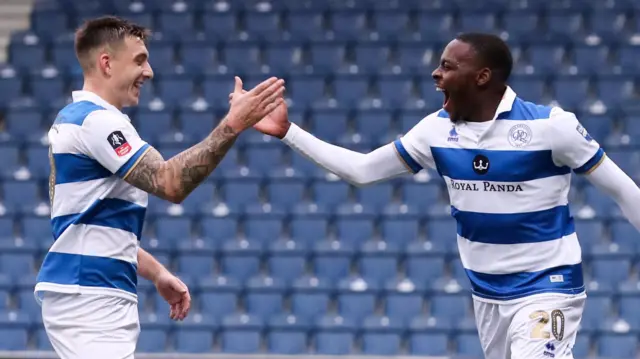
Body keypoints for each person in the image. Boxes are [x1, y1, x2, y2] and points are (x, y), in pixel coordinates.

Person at [244, 32, 640, 358]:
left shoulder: (551, 128)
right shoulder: (435, 132)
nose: (436, 74)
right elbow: (362, 172)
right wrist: (287, 131)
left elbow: (623, 189)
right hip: (487, 294)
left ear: (482, 77)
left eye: (448, 66)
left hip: (548, 286)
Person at [35, 16, 285, 359]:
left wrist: (156, 272)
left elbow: (92, 228)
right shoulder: (95, 121)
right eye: (140, 60)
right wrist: (233, 124)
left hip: (91, 292)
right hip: (89, 296)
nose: (149, 71)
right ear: (106, 63)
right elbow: (170, 182)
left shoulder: (83, 120)